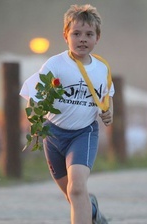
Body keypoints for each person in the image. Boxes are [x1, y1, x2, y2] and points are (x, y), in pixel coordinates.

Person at [20, 4, 113, 224]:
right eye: (76, 34)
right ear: (65, 36)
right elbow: (34, 98)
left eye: (89, 34)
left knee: (77, 187)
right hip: (53, 136)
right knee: (71, 193)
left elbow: (107, 96)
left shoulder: (102, 68)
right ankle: (92, 211)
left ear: (97, 38)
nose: (82, 39)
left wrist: (109, 113)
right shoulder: (55, 64)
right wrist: (34, 119)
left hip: (84, 133)